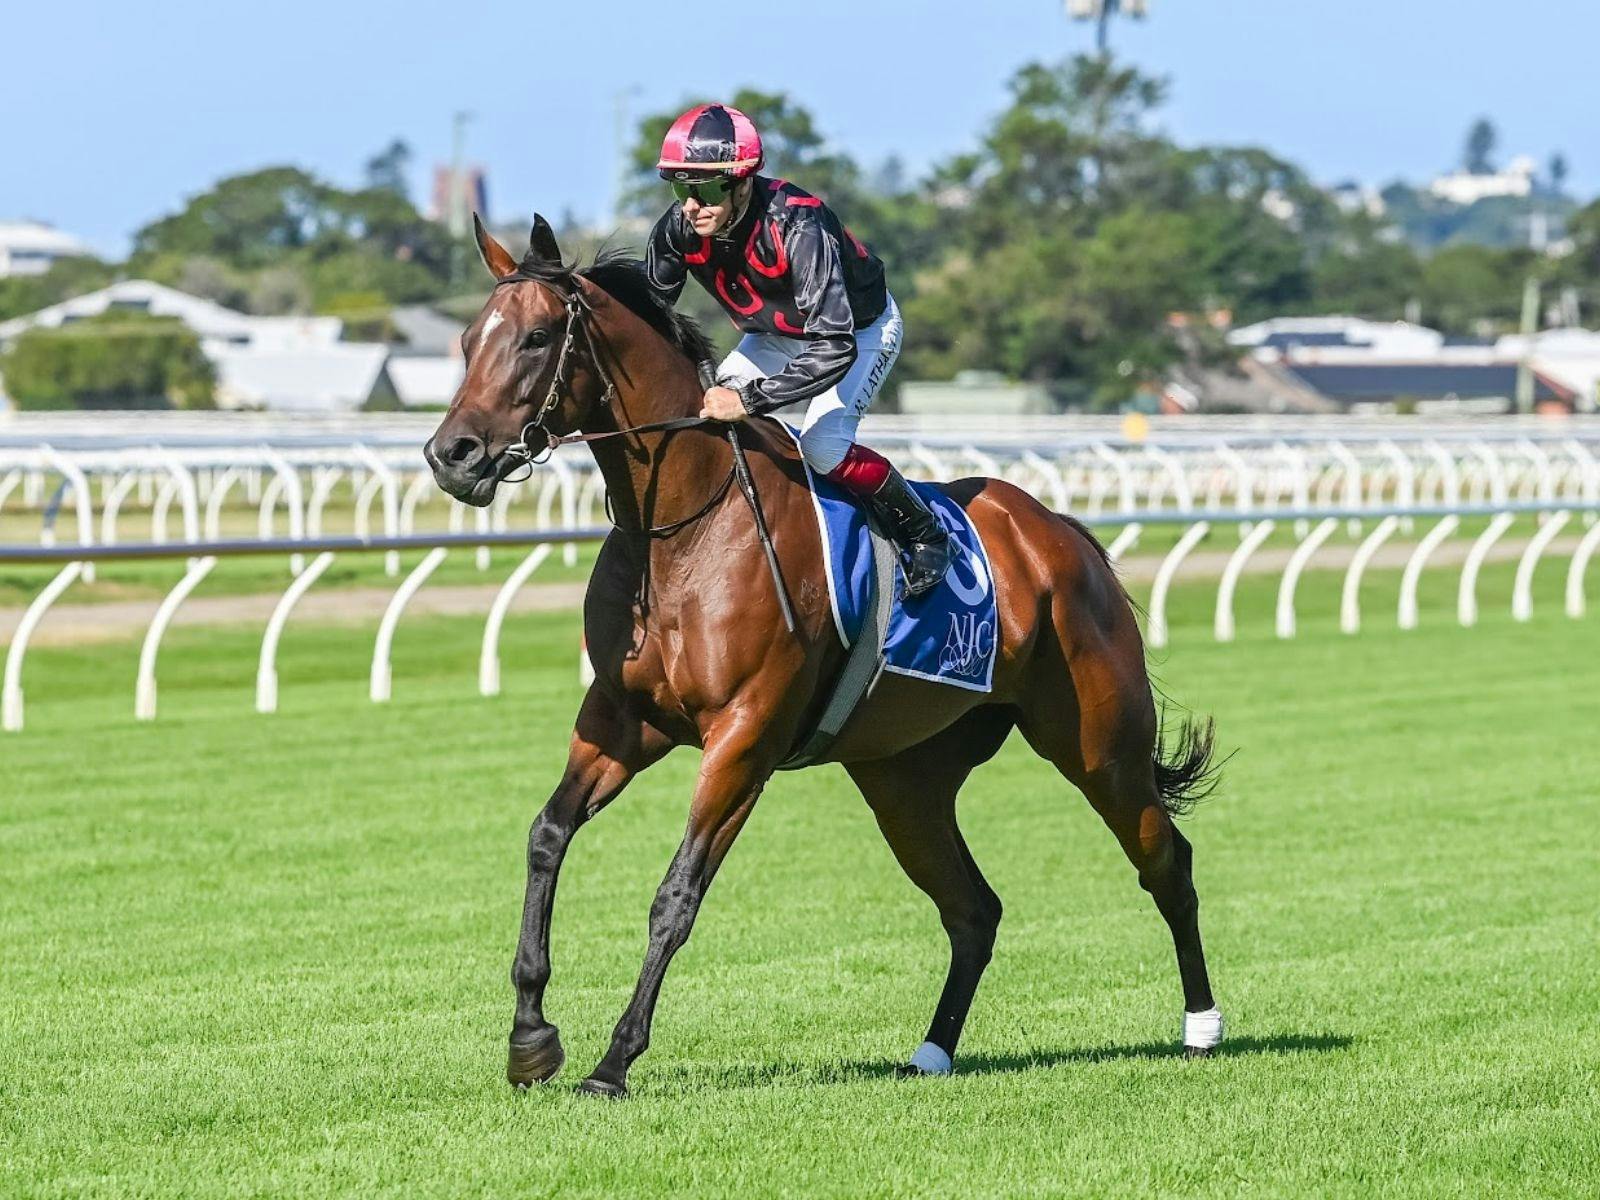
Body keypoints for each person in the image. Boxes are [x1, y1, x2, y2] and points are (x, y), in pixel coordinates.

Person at [644, 103, 950, 596]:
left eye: (706, 189)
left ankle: (925, 530)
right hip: (773, 332)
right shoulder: (678, 229)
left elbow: (833, 347)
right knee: (703, 418)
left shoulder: (798, 228)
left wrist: (749, 400)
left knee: (822, 447)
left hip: (857, 333)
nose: (690, 205)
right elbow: (649, 316)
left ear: (743, 183)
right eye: (681, 187)